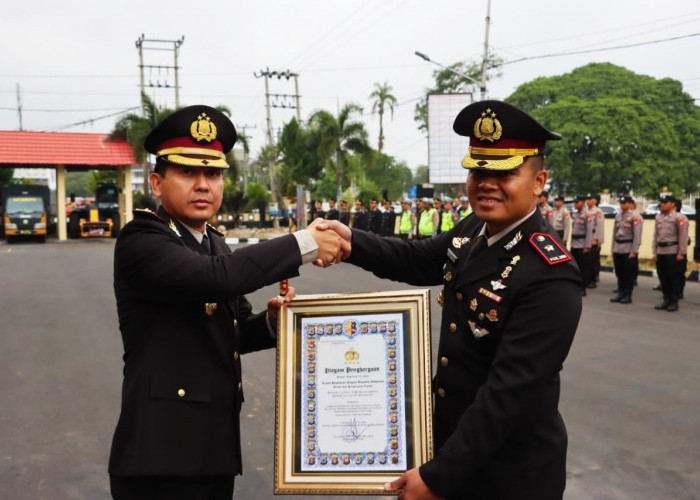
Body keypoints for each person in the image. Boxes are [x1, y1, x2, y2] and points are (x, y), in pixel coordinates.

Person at [320, 100, 582, 500]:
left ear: (538, 180)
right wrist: (351, 241)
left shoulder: (549, 273)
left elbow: (506, 397)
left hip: (508, 474)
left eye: (505, 172)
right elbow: (416, 259)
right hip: (456, 449)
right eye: (478, 169)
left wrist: (439, 476)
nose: (486, 182)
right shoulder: (476, 227)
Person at [108, 105, 348, 500]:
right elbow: (216, 278)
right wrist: (304, 244)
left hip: (213, 451)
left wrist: (270, 323)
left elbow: (235, 329)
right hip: (160, 460)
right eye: (187, 172)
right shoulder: (142, 239)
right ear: (156, 182)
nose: (203, 185)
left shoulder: (213, 242)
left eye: (213, 173)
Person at [652, 194, 689, 312]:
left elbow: (683, 237)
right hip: (661, 250)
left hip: (673, 251)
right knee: (663, 276)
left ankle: (674, 301)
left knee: (674, 277)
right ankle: (666, 299)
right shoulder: (659, 217)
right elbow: (655, 235)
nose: (662, 204)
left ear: (672, 204)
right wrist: (655, 251)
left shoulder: (679, 218)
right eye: (661, 202)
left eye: (665, 202)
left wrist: (681, 253)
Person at [610, 196, 642, 304]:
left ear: (629, 204)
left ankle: (627, 295)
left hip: (628, 247)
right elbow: (614, 234)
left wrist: (634, 251)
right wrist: (612, 249)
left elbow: (637, 235)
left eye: (624, 203)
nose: (622, 205)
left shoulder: (635, 216)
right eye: (621, 203)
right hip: (618, 247)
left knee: (627, 273)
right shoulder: (618, 216)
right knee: (619, 272)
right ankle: (621, 293)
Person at [570, 195, 593, 296]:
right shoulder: (575, 214)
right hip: (574, 244)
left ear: (583, 203)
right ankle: (576, 286)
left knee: (584, 267)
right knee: (575, 267)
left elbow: (589, 232)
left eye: (577, 202)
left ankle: (583, 288)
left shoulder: (588, 215)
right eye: (574, 202)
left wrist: (587, 246)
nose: (575, 204)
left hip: (583, 244)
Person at [585, 193, 605, 288]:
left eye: (590, 199)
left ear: (595, 201)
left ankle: (593, 279)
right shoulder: (584, 211)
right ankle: (586, 278)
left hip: (593, 237)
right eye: (587, 199)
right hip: (585, 238)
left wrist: (597, 239)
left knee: (593, 260)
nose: (588, 201)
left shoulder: (598, 211)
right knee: (586, 260)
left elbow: (599, 226)